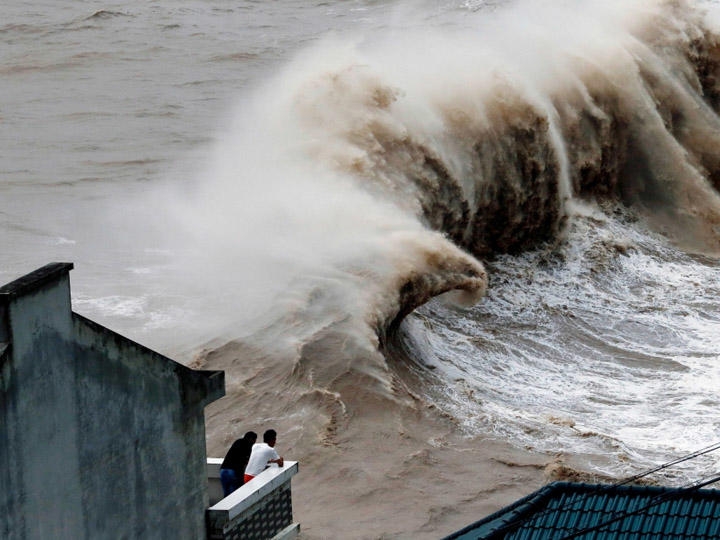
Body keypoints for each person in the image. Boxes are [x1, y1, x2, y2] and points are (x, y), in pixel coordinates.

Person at [219, 431, 257, 497]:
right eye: (254, 440)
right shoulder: (248, 446)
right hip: (233, 472)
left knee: (226, 495)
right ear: (251, 439)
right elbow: (249, 460)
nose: (254, 442)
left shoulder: (237, 442)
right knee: (234, 496)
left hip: (223, 470)